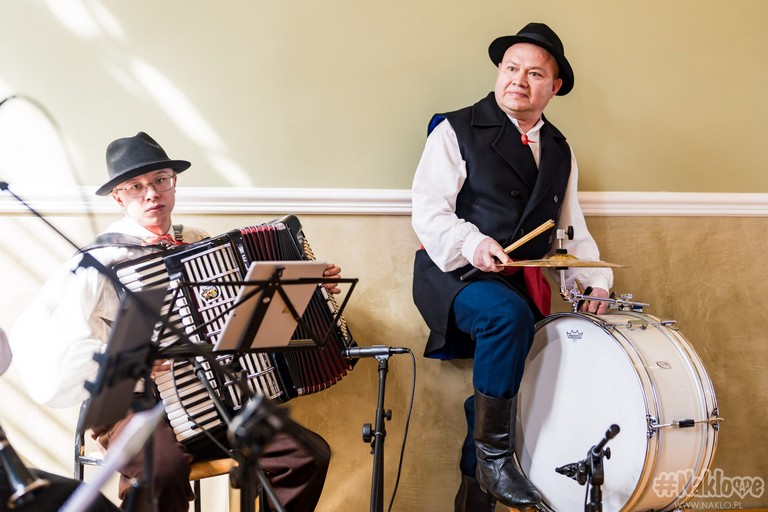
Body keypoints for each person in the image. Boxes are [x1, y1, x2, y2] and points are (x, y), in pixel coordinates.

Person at [10, 132, 339, 512]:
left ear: (174, 182)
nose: (151, 194)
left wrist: (309, 289)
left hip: (211, 394)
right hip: (129, 405)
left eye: (160, 180)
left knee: (305, 455)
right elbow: (38, 343)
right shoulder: (99, 261)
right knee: (162, 470)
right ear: (118, 198)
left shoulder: (200, 242)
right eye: (136, 187)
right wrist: (126, 357)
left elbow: (244, 316)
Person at [411, 23, 614, 511]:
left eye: (535, 74)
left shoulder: (560, 149)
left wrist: (593, 284)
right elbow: (429, 212)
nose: (519, 80)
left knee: (532, 370)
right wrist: (475, 242)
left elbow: (569, 230)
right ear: (499, 71)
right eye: (511, 68)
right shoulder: (454, 129)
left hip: (515, 285)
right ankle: (496, 459)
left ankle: (477, 486)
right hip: (452, 275)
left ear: (554, 86)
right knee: (507, 317)